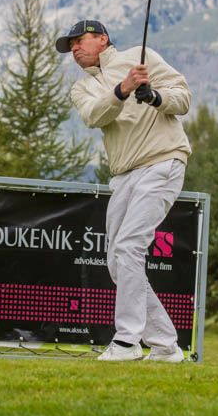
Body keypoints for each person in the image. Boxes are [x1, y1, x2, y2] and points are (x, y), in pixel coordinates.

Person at [56, 19, 192, 363]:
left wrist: (155, 97)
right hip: (123, 175)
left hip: (162, 162)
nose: (74, 49)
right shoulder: (81, 87)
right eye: (70, 46)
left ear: (103, 39)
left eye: (79, 41)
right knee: (118, 261)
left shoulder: (141, 56)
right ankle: (166, 346)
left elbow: (183, 99)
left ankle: (127, 342)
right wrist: (123, 89)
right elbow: (94, 116)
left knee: (129, 246)